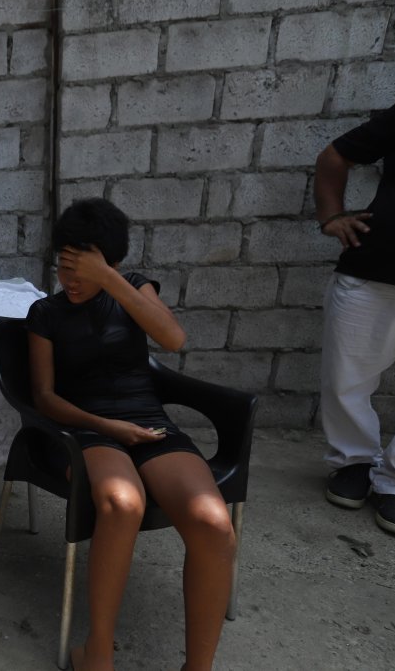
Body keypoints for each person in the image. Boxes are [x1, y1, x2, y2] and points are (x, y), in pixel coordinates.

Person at [25, 199, 236, 671]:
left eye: (84, 268)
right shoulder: (46, 314)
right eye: (65, 266)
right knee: (123, 504)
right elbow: (44, 397)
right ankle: (97, 652)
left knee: (213, 524)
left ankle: (198, 667)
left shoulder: (135, 289)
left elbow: (174, 339)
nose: (72, 279)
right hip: (87, 426)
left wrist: (111, 281)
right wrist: (106, 426)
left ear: (113, 264)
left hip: (148, 421)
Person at [315, 92, 395, 538]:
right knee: (346, 381)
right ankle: (354, 463)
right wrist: (330, 214)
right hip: (376, 281)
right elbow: (334, 156)